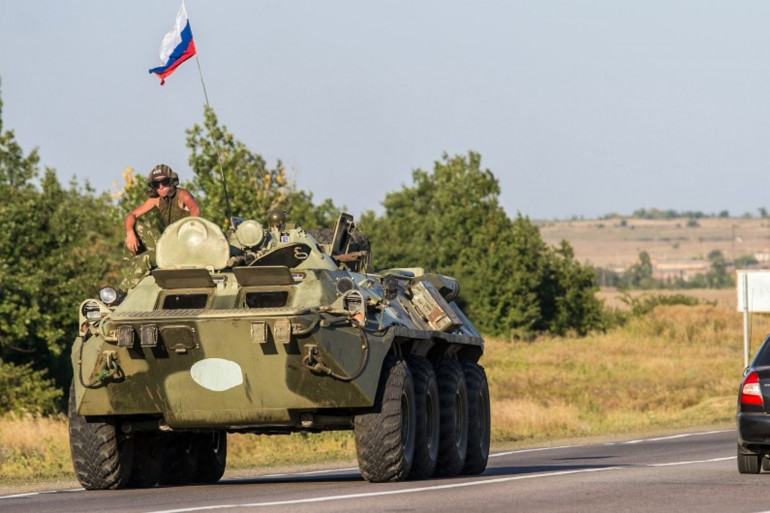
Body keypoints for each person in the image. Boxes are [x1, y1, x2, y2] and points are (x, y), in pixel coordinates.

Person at [121, 164, 201, 289]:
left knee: (146, 257)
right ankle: (136, 263)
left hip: (182, 248)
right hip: (167, 244)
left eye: (164, 182)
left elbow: (194, 208)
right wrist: (130, 232)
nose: (161, 187)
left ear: (172, 181)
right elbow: (132, 215)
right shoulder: (156, 199)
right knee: (136, 227)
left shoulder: (181, 194)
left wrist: (192, 225)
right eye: (156, 184)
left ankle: (122, 291)